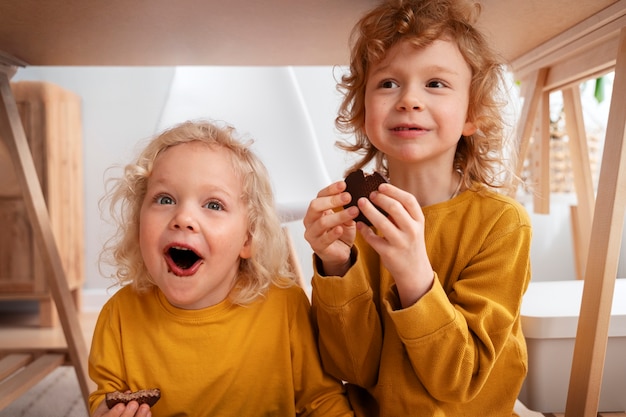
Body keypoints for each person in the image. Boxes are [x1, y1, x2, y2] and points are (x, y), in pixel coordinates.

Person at [303, 0, 532, 415]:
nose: (408, 99)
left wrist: (413, 273)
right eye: (388, 83)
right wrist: (337, 268)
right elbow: (351, 369)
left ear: (472, 114)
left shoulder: (501, 224)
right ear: (363, 112)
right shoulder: (352, 220)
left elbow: (458, 381)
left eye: (436, 84)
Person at [88, 120, 354, 417]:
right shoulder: (120, 315)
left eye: (213, 205)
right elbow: (105, 396)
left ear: (248, 238)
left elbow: (322, 400)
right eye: (165, 199)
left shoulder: (285, 307)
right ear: (139, 221)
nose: (183, 217)